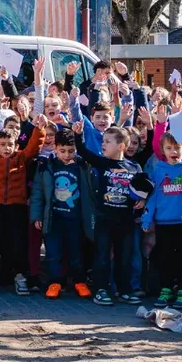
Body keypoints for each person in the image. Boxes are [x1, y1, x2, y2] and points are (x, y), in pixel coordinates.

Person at [73, 119, 151, 307]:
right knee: (102, 256)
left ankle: (124, 290)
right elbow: (83, 152)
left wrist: (142, 198)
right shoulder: (102, 163)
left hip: (126, 221)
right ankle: (101, 289)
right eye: (103, 141)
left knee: (124, 257)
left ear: (121, 146)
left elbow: (143, 187)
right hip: (104, 219)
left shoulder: (134, 167)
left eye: (108, 141)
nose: (103, 144)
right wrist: (78, 135)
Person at [0, 105, 45, 295]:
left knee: (17, 242)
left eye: (9, 145)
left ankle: (20, 277)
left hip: (16, 206)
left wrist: (39, 129)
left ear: (16, 146)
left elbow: (34, 147)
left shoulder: (21, 158)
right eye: (2, 144)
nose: (6, 148)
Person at [29, 127, 94, 299]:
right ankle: (55, 282)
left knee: (76, 252)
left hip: (75, 218)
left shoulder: (82, 166)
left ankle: (79, 281)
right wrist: (36, 216)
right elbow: (37, 192)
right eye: (62, 151)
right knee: (53, 252)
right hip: (53, 218)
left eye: (71, 151)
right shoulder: (45, 166)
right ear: (55, 148)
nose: (67, 155)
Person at [141, 128, 182, 311]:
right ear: (162, 150)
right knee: (165, 258)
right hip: (164, 223)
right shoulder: (158, 170)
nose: (174, 152)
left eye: (177, 147)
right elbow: (153, 197)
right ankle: (165, 289)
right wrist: (147, 219)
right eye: (169, 148)